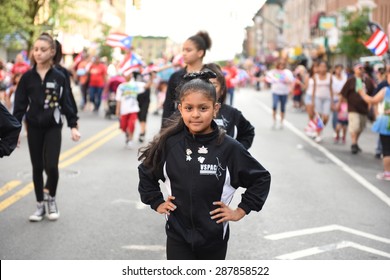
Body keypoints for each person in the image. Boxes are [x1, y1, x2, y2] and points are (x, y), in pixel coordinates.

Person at [138, 71, 271, 260]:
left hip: (214, 239)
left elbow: (261, 178)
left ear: (215, 108)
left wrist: (240, 210)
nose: (195, 115)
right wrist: (156, 201)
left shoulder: (229, 148)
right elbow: (146, 172)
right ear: (180, 108)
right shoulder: (170, 144)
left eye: (203, 108)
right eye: (189, 108)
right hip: (178, 236)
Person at [13, 32, 81, 222]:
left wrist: (73, 125)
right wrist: (14, 131)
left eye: (43, 50)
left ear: (52, 52)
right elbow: (19, 106)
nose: (38, 53)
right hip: (33, 126)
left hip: (53, 126)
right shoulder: (27, 78)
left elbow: (66, 101)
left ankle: (51, 199)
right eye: (35, 50)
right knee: (37, 167)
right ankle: (39, 205)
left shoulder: (60, 76)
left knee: (51, 165)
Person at [161, 31, 212, 127]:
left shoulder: (212, 75)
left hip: (205, 126)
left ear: (200, 53)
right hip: (178, 126)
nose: (184, 53)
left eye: (188, 50)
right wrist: (164, 132)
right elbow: (168, 106)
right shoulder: (175, 76)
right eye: (183, 50)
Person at [203, 63, 255, 149]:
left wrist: (236, 152)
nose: (209, 89)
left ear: (222, 90)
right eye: (205, 84)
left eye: (214, 85)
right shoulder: (189, 112)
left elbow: (248, 132)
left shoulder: (232, 113)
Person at [358, 69, 390, 180]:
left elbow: (372, 100)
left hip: (386, 122)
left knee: (386, 149)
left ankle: (387, 172)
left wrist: (362, 93)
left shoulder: (386, 90)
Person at [340, 62, 375, 154]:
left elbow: (372, 93)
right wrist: (340, 105)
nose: (361, 70)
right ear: (354, 69)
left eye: (362, 68)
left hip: (363, 108)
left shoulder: (367, 81)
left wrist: (370, 106)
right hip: (353, 107)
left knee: (361, 127)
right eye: (359, 68)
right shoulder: (351, 80)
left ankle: (355, 142)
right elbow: (343, 93)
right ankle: (354, 143)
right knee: (355, 126)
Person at [115, 71, 153, 149]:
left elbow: (147, 86)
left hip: (133, 109)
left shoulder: (135, 85)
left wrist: (151, 78)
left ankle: (130, 139)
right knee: (123, 126)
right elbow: (118, 99)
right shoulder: (121, 86)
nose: (128, 75)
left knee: (131, 125)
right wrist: (117, 110)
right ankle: (127, 134)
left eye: (129, 74)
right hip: (124, 110)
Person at [265, 59, 294, 129]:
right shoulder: (273, 72)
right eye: (280, 64)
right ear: (278, 65)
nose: (281, 66)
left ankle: (281, 122)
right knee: (274, 106)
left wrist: (288, 84)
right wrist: (278, 77)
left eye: (283, 64)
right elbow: (268, 78)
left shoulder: (287, 72)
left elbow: (291, 81)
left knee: (282, 107)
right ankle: (274, 121)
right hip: (275, 92)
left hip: (284, 92)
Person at [312, 61, 334, 142]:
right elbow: (314, 89)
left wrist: (332, 101)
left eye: (324, 66)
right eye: (321, 66)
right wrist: (313, 101)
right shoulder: (316, 76)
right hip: (318, 98)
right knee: (319, 116)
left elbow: (331, 89)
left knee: (326, 117)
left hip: (327, 98)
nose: (323, 68)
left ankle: (319, 128)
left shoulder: (329, 76)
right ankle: (318, 133)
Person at [331, 64, 348, 139]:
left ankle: (341, 131)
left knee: (343, 116)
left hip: (343, 99)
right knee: (335, 115)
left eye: (340, 69)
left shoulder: (344, 78)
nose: (339, 71)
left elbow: (346, 87)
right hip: (335, 98)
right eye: (337, 69)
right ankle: (336, 130)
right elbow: (331, 89)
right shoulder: (332, 78)